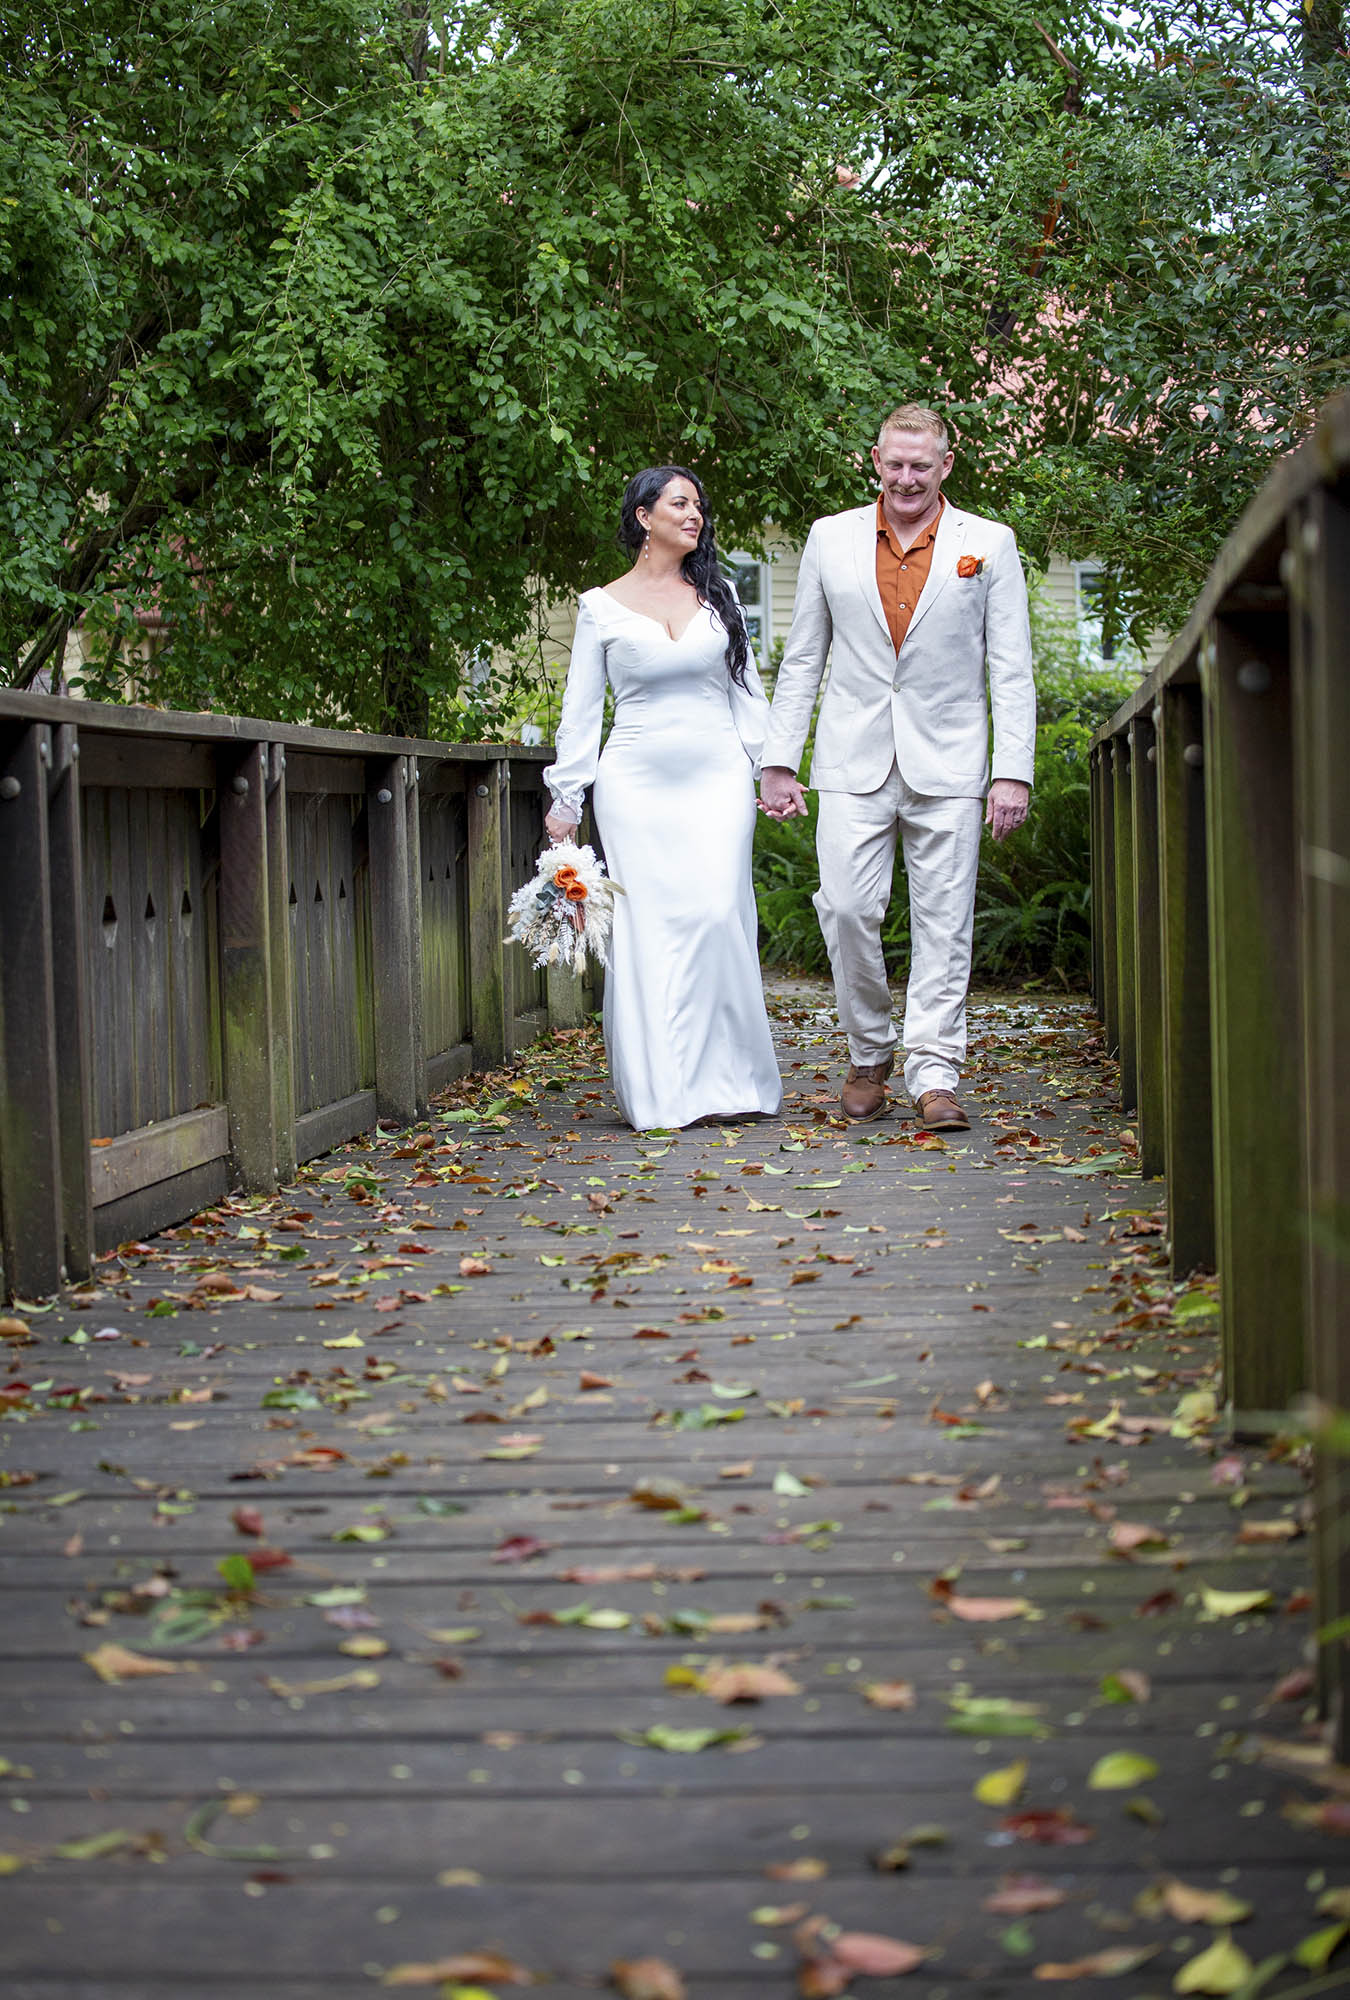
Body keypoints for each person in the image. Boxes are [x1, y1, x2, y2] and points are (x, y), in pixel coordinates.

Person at [759, 403, 1035, 1130]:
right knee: (846, 908)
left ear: (946, 465)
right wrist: (780, 761)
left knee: (945, 921)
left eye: (923, 464)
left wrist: (1013, 770)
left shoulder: (991, 545)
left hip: (951, 761)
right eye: (895, 463)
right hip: (852, 758)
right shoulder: (831, 538)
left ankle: (935, 1070)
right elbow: (804, 658)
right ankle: (869, 1050)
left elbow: (1010, 668)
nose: (907, 477)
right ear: (875, 460)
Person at [542, 466, 783, 1131]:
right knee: (649, 928)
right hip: (636, 784)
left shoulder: (721, 596)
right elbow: (582, 712)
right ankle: (663, 1092)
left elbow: (747, 694)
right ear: (644, 516)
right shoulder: (600, 606)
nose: (695, 514)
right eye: (680, 503)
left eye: (699, 505)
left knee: (715, 914)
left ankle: (731, 1081)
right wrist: (566, 798)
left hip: (717, 778)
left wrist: (770, 769)